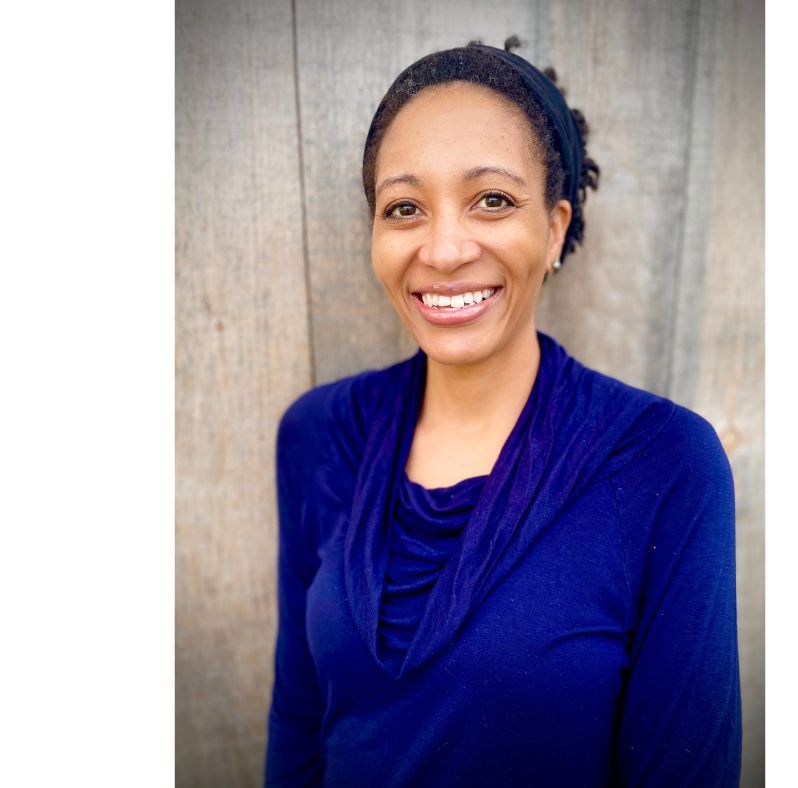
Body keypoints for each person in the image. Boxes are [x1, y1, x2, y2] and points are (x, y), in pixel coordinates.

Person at [265, 37, 741, 787]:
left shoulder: (662, 464)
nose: (445, 249)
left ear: (554, 228)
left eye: (492, 199)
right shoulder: (317, 437)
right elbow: (297, 733)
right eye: (405, 208)